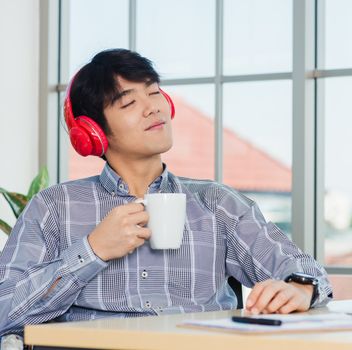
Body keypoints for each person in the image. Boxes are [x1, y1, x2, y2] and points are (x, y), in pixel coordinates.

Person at [0, 49, 333, 338]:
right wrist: (92, 251)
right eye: (129, 102)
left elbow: (302, 268)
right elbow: (5, 312)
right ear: (94, 132)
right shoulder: (54, 207)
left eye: (154, 92)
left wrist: (300, 288)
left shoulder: (216, 203)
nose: (153, 108)